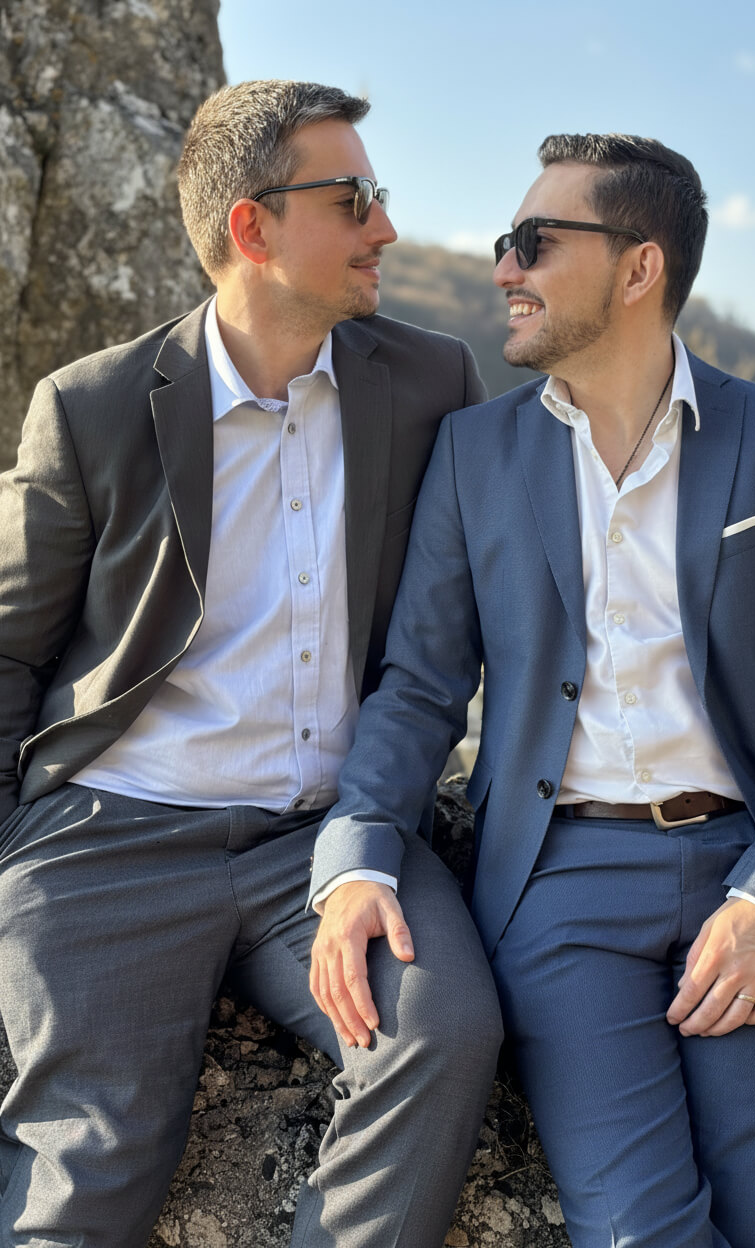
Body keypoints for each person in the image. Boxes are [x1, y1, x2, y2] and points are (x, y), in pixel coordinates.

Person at [0, 78, 503, 1248]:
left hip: (326, 839)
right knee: (88, 1178)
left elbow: (446, 642)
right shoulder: (93, 406)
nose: (384, 224)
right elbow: (10, 644)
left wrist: (368, 840)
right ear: (251, 227)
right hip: (113, 842)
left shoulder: (432, 386)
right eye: (354, 197)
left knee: (439, 1036)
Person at [310, 133, 755, 1247]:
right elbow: (417, 689)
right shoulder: (472, 454)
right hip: (560, 885)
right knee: (638, 1232)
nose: (506, 268)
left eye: (535, 243)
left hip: (753, 867)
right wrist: (356, 852)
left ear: (639, 268)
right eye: (507, 243)